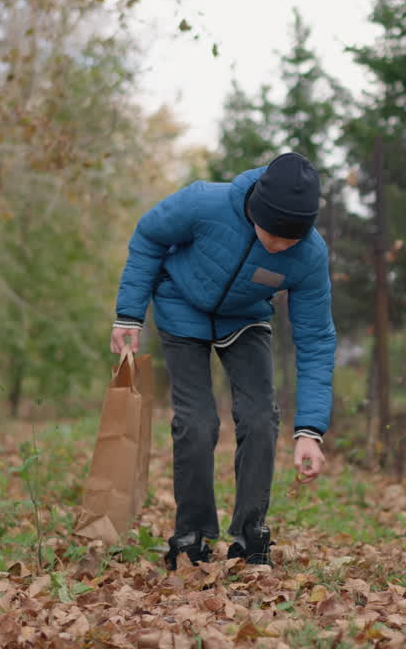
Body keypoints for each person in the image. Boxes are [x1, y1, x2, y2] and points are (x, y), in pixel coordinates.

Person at [110, 152, 336, 569]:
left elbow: (316, 339)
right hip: (181, 306)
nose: (282, 245)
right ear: (255, 211)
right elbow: (148, 236)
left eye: (292, 238)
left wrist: (310, 431)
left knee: (260, 417)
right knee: (196, 422)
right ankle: (191, 534)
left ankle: (251, 533)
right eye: (275, 233)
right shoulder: (204, 204)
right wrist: (129, 314)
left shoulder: (309, 256)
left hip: (245, 318)